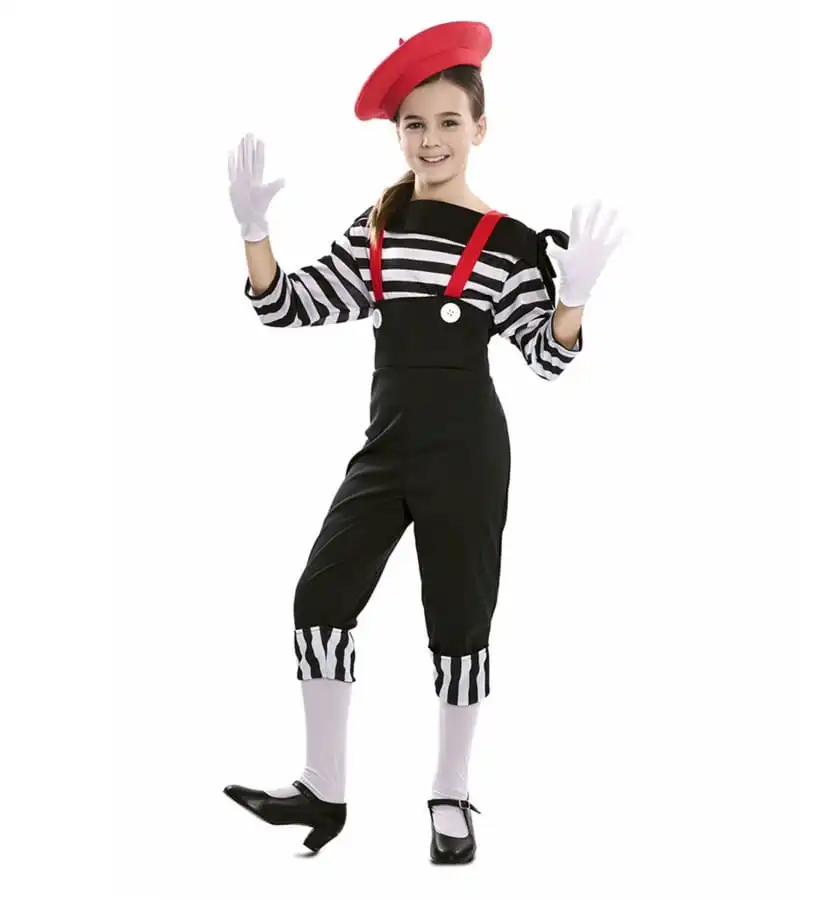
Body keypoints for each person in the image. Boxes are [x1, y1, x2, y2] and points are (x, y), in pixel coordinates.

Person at [222, 20, 623, 864]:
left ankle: (450, 790)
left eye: (448, 122)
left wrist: (574, 298)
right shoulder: (379, 228)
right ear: (397, 134)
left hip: (468, 455)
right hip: (388, 448)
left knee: (459, 622)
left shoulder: (510, 243)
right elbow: (286, 306)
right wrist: (255, 233)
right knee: (319, 599)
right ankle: (322, 787)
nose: (430, 139)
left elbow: (548, 358)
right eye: (414, 124)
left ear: (480, 128)